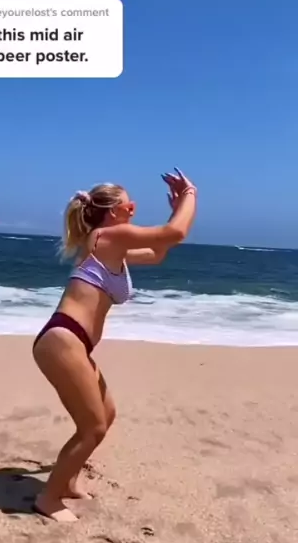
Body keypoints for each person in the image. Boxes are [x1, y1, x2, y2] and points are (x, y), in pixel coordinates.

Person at [32, 168, 197, 522]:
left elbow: (158, 252)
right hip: (62, 340)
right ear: (111, 212)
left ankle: (68, 481)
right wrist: (190, 196)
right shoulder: (107, 237)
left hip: (74, 343)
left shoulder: (112, 247)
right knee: (92, 427)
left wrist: (174, 213)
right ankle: (48, 498)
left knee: (105, 415)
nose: (134, 211)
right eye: (129, 206)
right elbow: (176, 233)